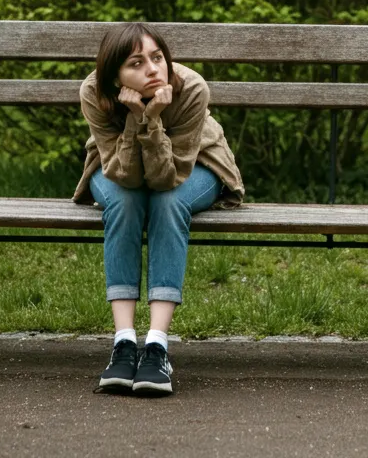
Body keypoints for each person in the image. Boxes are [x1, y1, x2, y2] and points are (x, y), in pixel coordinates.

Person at [71, 22, 245, 396]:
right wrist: (136, 119)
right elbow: (124, 176)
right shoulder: (92, 91)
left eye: (157, 57)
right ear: (113, 75)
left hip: (197, 165)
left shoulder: (192, 88)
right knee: (123, 199)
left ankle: (156, 346)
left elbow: (168, 177)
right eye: (136, 63)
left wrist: (150, 118)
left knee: (168, 201)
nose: (152, 69)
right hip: (115, 165)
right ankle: (122, 342)